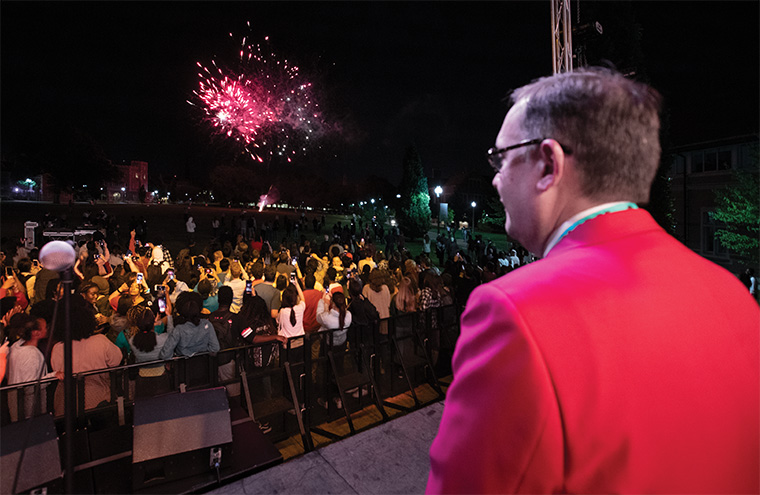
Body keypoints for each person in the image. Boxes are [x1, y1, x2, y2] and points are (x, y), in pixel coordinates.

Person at [427, 68, 760, 493]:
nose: (494, 177)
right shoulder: (733, 294)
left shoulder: (514, 313)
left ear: (548, 164)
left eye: (502, 157)